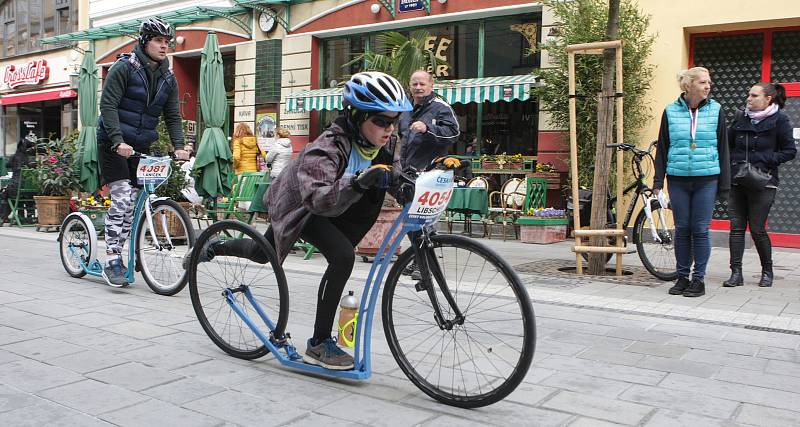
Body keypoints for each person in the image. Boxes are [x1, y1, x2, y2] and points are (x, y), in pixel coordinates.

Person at [197, 72, 412, 370]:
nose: (389, 128)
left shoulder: (387, 143)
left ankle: (215, 245)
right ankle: (319, 343)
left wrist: (419, 180)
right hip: (303, 207)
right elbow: (319, 199)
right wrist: (361, 181)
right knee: (315, 256)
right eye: (381, 121)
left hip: (341, 209)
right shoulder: (327, 148)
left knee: (265, 254)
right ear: (356, 116)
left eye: (394, 121)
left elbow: (397, 174)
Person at [97, 17, 190, 287]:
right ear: (144, 41)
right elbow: (109, 106)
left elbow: (172, 115)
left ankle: (132, 251)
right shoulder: (123, 68)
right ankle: (113, 258)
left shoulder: (168, 78)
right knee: (123, 199)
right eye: (158, 41)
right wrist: (116, 140)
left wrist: (180, 146)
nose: (164, 47)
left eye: (167, 42)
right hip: (112, 143)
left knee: (140, 200)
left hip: (140, 146)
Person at [653, 67, 730, 298]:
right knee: (682, 229)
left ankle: (699, 279)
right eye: (703, 82)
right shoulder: (670, 111)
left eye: (709, 82)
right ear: (688, 85)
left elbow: (723, 147)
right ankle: (682, 277)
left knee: (700, 229)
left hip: (706, 178)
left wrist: (724, 184)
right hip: (677, 178)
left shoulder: (716, 110)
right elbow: (663, 148)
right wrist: (658, 181)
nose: (708, 86)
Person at [724, 83, 796, 288]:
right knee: (736, 228)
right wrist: (733, 163)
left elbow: (790, 151)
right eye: (749, 95)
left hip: (764, 181)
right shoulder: (740, 117)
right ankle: (736, 274)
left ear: (769, 99)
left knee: (757, 229)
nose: (749, 98)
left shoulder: (780, 120)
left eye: (754, 95)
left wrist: (764, 159)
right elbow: (728, 145)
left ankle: (767, 271)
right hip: (738, 178)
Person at [398, 70, 460, 171]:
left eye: (422, 84)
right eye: (415, 84)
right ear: (410, 87)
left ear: (431, 86)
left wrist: (427, 129)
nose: (418, 87)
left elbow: (454, 134)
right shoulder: (404, 109)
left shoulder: (441, 107)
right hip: (405, 173)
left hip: (432, 174)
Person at [0, 135, 38, 225]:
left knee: (4, 193)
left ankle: (3, 217)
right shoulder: (32, 160)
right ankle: (28, 216)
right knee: (23, 194)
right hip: (31, 192)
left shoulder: (15, 157)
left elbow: (7, 165)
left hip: (16, 189)